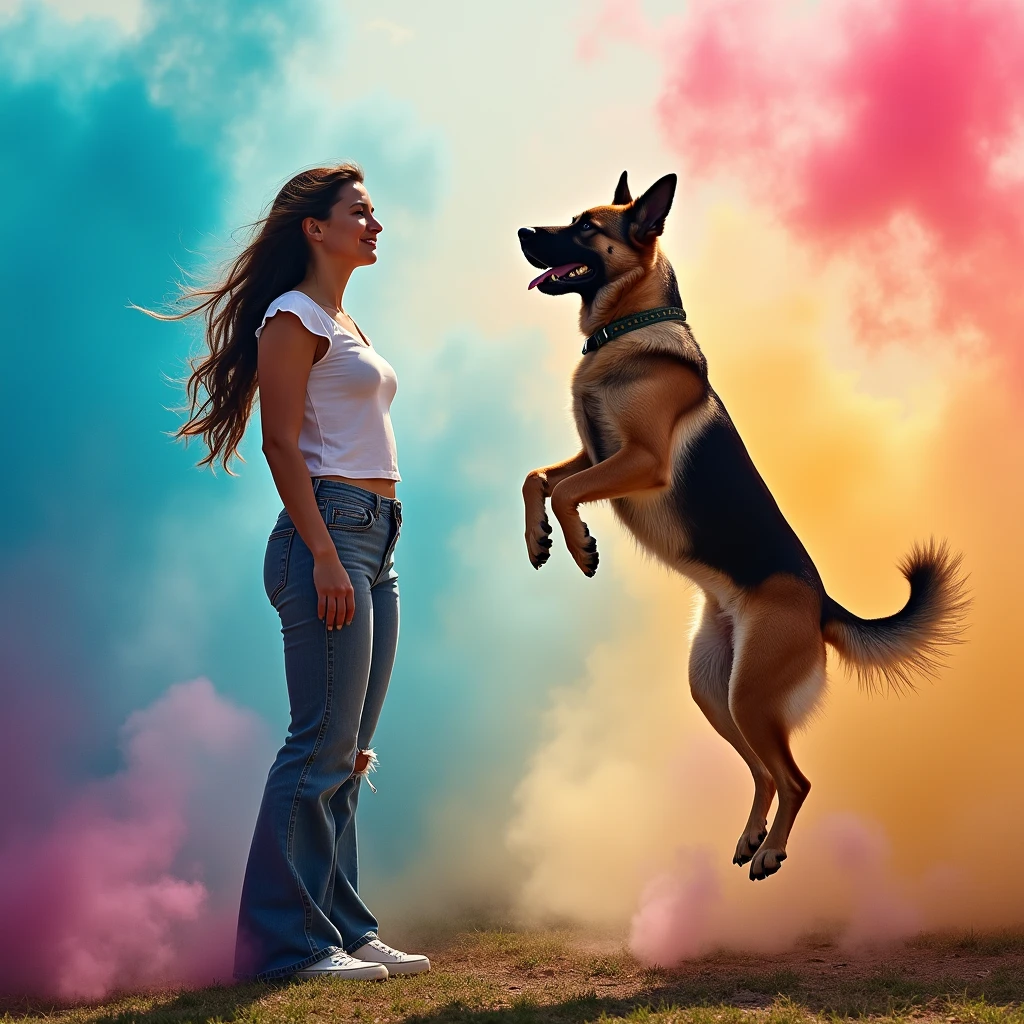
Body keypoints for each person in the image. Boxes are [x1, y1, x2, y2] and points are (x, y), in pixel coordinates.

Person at [149, 163, 429, 982]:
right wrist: (322, 553)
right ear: (315, 226)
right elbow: (280, 443)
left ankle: (341, 924)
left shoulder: (344, 319)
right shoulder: (293, 316)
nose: (375, 225)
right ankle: (288, 945)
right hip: (330, 535)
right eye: (360, 212)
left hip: (377, 536)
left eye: (374, 212)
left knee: (351, 751)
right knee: (317, 745)